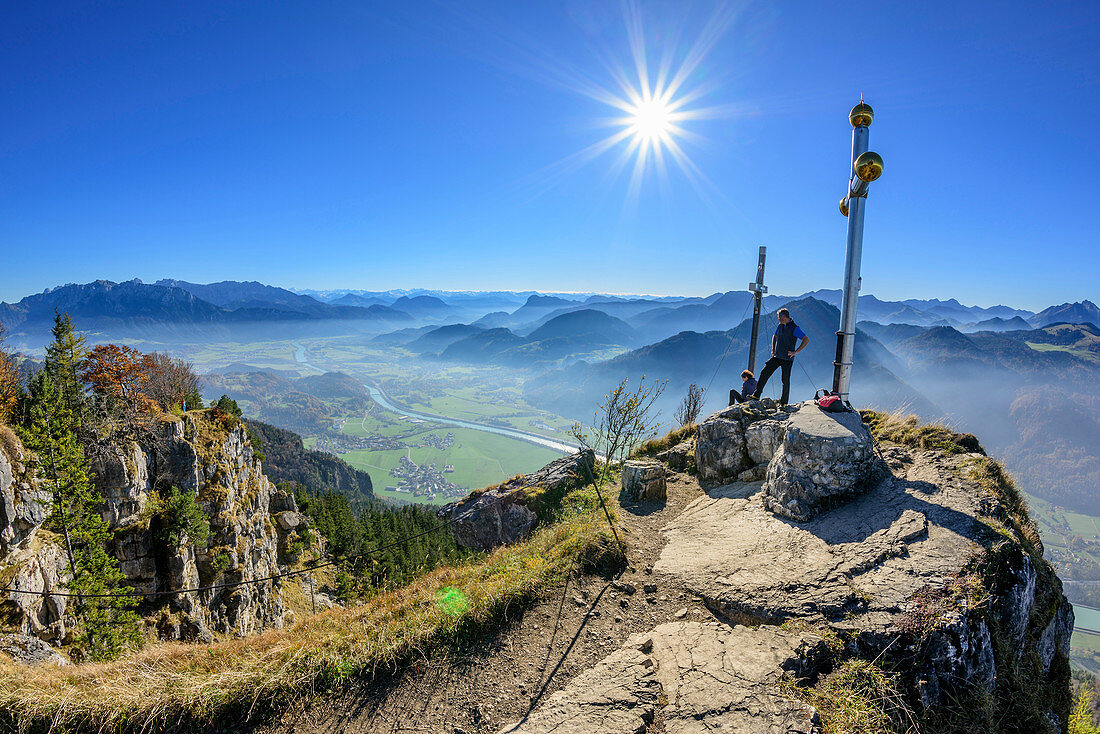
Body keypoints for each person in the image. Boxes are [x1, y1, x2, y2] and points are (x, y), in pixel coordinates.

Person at [752, 308, 808, 406]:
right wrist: (773, 349)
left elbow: (806, 339)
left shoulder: (794, 328)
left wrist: (795, 352)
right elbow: (775, 336)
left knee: (785, 380)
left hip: (787, 359)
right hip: (777, 356)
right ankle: (756, 395)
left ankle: (784, 403)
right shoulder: (780, 326)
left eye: (779, 317)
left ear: (783, 317)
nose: (778, 319)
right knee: (764, 372)